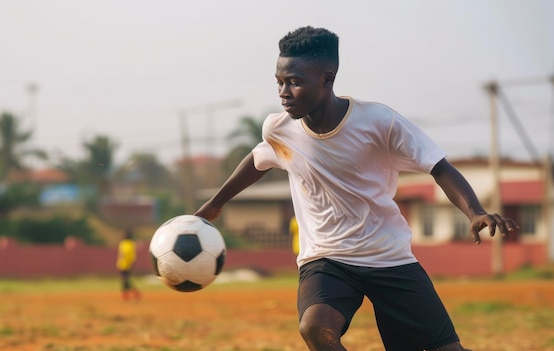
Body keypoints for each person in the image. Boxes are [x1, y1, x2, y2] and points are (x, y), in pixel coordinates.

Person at [194, 26, 519, 351]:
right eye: (279, 82)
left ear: (327, 79)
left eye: (294, 82)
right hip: (326, 258)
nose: (283, 92)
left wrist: (474, 211)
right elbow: (258, 159)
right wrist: (215, 204)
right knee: (315, 327)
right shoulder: (279, 129)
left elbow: (438, 166)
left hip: (388, 256)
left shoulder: (379, 122)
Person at [116, 229, 141, 301]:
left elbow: (132, 255)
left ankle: (132, 293)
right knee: (124, 280)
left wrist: (132, 263)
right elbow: (121, 254)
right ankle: (127, 295)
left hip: (128, 265)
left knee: (125, 280)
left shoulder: (130, 243)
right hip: (122, 264)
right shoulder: (123, 243)